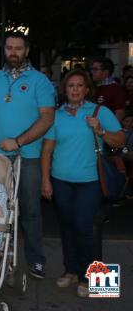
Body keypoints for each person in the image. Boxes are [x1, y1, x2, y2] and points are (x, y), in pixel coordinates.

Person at [0, 32, 55, 279]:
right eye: (9, 48)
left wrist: (18, 141)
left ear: (26, 50)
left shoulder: (40, 81)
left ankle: (36, 260)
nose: (14, 52)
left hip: (27, 157)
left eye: (19, 48)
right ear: (4, 50)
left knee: (30, 211)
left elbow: (47, 117)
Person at [41, 70, 124, 297]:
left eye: (79, 85)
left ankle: (93, 279)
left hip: (90, 182)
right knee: (67, 226)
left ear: (87, 89)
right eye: (70, 86)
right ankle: (71, 271)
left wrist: (101, 130)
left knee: (85, 227)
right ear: (65, 89)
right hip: (61, 182)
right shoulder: (57, 115)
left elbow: (121, 139)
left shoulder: (99, 111)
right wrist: (45, 179)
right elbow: (47, 149)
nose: (75, 89)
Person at [90, 57, 127, 122]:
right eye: (92, 69)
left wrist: (108, 129)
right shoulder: (94, 86)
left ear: (105, 72)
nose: (92, 72)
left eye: (95, 69)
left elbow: (120, 114)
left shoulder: (115, 89)